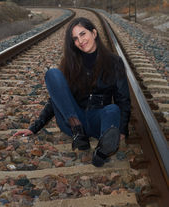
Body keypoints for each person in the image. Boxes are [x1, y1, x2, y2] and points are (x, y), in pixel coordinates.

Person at [13, 17, 131, 167]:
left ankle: (102, 150)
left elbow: (123, 99)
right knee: (52, 74)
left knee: (113, 109)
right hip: (74, 118)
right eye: (75, 38)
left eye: (83, 34)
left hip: (97, 119)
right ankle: (78, 131)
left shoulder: (114, 62)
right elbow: (57, 98)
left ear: (94, 33)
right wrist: (34, 128)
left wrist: (122, 130)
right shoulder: (70, 63)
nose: (80, 41)